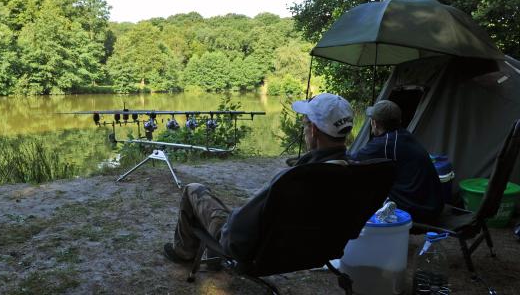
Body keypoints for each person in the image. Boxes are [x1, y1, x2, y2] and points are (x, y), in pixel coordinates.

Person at [163, 93, 354, 264]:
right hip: (314, 248)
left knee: (193, 189)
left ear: (313, 130)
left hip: (254, 250)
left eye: (304, 123)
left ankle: (184, 252)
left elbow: (238, 226)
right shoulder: (358, 173)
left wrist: (228, 222)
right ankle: (211, 258)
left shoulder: (296, 179)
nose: (304, 129)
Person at [350, 100, 443, 222]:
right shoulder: (403, 135)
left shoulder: (385, 143)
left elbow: (350, 160)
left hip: (419, 211)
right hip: (432, 206)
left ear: (375, 123)